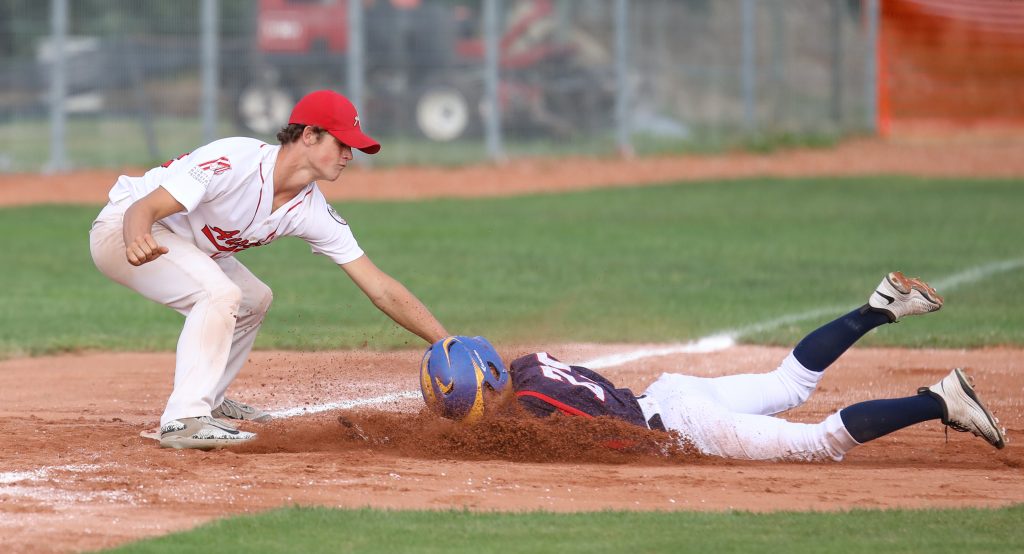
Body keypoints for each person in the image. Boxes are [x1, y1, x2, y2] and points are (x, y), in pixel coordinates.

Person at [91, 90, 449, 450]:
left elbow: (380, 287)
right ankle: (183, 419)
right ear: (309, 135)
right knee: (219, 293)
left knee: (253, 299)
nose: (348, 155)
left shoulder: (310, 208)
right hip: (125, 228)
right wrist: (135, 236)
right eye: (342, 144)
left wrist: (444, 340)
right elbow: (144, 206)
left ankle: (210, 401)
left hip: (179, 242)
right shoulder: (235, 162)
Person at [422, 272, 1006, 462]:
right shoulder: (529, 367)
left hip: (684, 425)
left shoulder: (528, 408)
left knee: (818, 443)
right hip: (670, 394)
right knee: (788, 383)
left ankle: (940, 400)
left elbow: (602, 440)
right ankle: (879, 307)